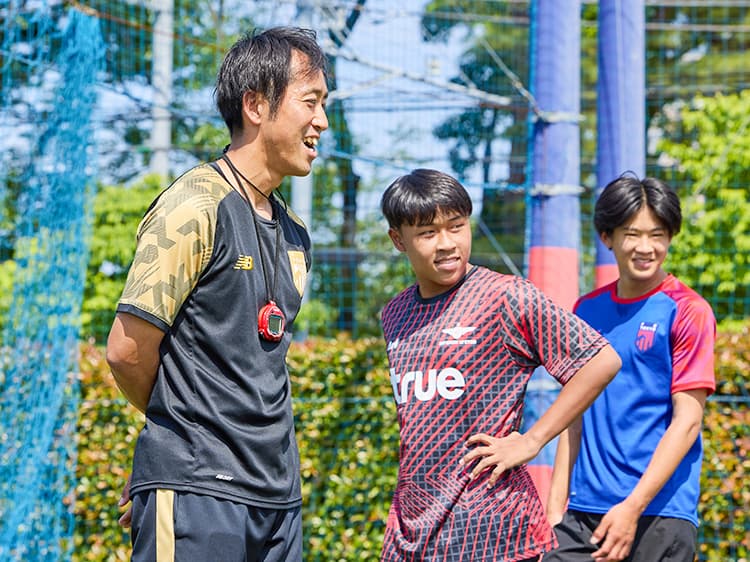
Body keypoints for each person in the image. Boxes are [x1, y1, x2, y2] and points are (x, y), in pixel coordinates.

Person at [105, 26, 328, 561]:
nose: (322, 121)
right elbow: (127, 351)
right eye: (311, 102)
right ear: (255, 104)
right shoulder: (195, 204)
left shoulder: (296, 235)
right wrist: (178, 447)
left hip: (279, 501)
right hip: (196, 492)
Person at [378, 169, 622, 561]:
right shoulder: (395, 315)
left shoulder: (506, 297)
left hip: (494, 530)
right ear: (398, 240)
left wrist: (531, 440)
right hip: (414, 534)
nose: (446, 244)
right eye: (427, 233)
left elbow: (600, 360)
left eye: (456, 227)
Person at [543, 174, 716, 562]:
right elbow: (574, 415)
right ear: (608, 237)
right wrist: (556, 510)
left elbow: (688, 421)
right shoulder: (585, 311)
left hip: (660, 515)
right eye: (631, 234)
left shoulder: (688, 311)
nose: (645, 247)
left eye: (657, 234)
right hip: (584, 512)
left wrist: (633, 506)